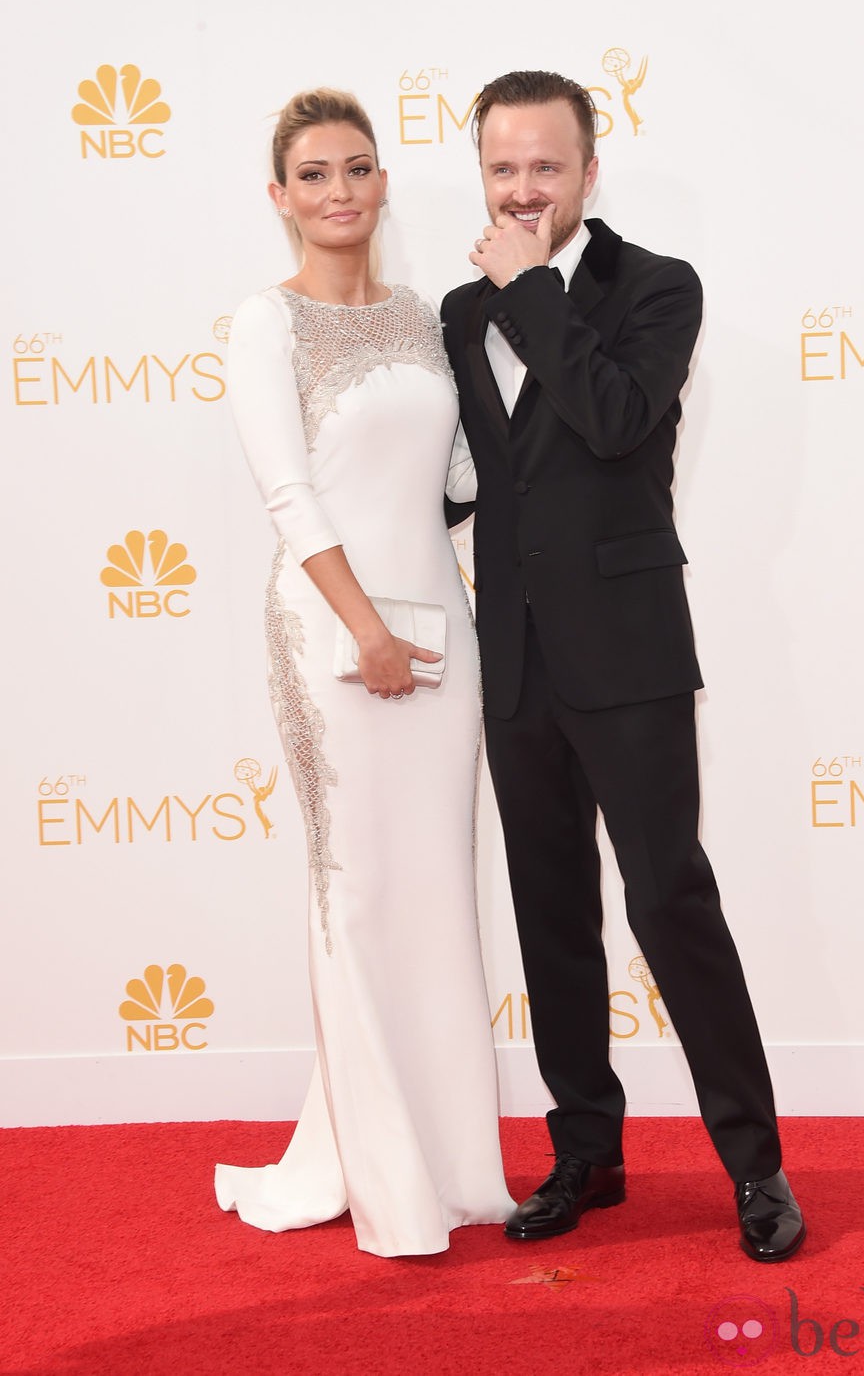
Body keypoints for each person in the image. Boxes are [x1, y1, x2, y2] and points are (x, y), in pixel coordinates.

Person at [440, 70, 805, 1262]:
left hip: (630, 649)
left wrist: (532, 290)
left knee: (667, 900)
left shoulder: (654, 287)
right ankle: (585, 1152)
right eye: (503, 169)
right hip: (517, 657)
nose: (524, 188)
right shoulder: (459, 310)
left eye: (546, 166)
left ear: (589, 171)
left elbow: (608, 419)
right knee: (551, 915)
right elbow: (472, 479)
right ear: (481, 174)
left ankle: (755, 1166)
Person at [214, 87, 513, 1258]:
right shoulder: (266, 322)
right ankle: (384, 1175)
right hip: (329, 632)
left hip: (439, 625)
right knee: (354, 887)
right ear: (281, 197)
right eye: (314, 174)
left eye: (357, 167)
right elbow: (289, 493)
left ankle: (449, 1160)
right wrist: (364, 629)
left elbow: (451, 480)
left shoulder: (419, 316)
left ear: (382, 182)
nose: (340, 191)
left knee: (435, 885)